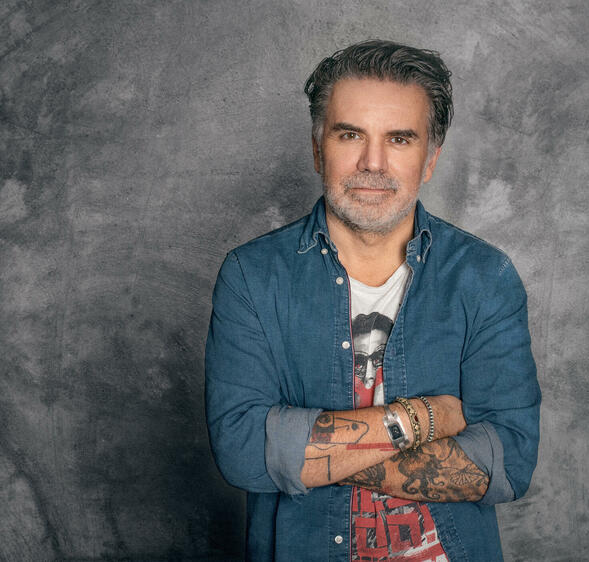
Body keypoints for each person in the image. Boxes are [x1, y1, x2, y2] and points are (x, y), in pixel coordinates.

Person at [205, 39, 541, 561]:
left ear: (430, 159)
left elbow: (507, 463)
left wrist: (304, 454)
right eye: (350, 134)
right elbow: (244, 452)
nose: (373, 163)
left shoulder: (484, 277)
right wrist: (423, 417)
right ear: (318, 148)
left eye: (400, 139)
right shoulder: (251, 276)